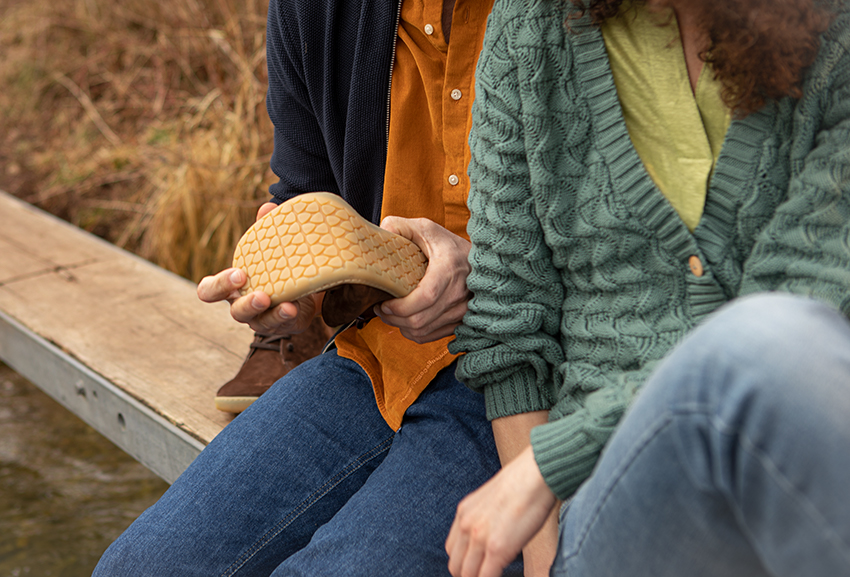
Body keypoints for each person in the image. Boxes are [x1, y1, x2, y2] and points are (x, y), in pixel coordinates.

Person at [93, 0, 555, 575]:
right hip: (376, 359)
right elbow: (306, 187)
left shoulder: (577, 19)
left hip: (535, 374)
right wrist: (294, 293)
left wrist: (483, 274)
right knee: (140, 568)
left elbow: (635, 268)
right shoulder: (310, 11)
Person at [443, 0, 850, 575]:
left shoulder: (837, 33)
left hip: (801, 466)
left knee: (777, 338)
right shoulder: (531, 24)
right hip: (617, 509)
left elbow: (805, 309)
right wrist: (544, 556)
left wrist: (550, 462)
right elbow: (510, 319)